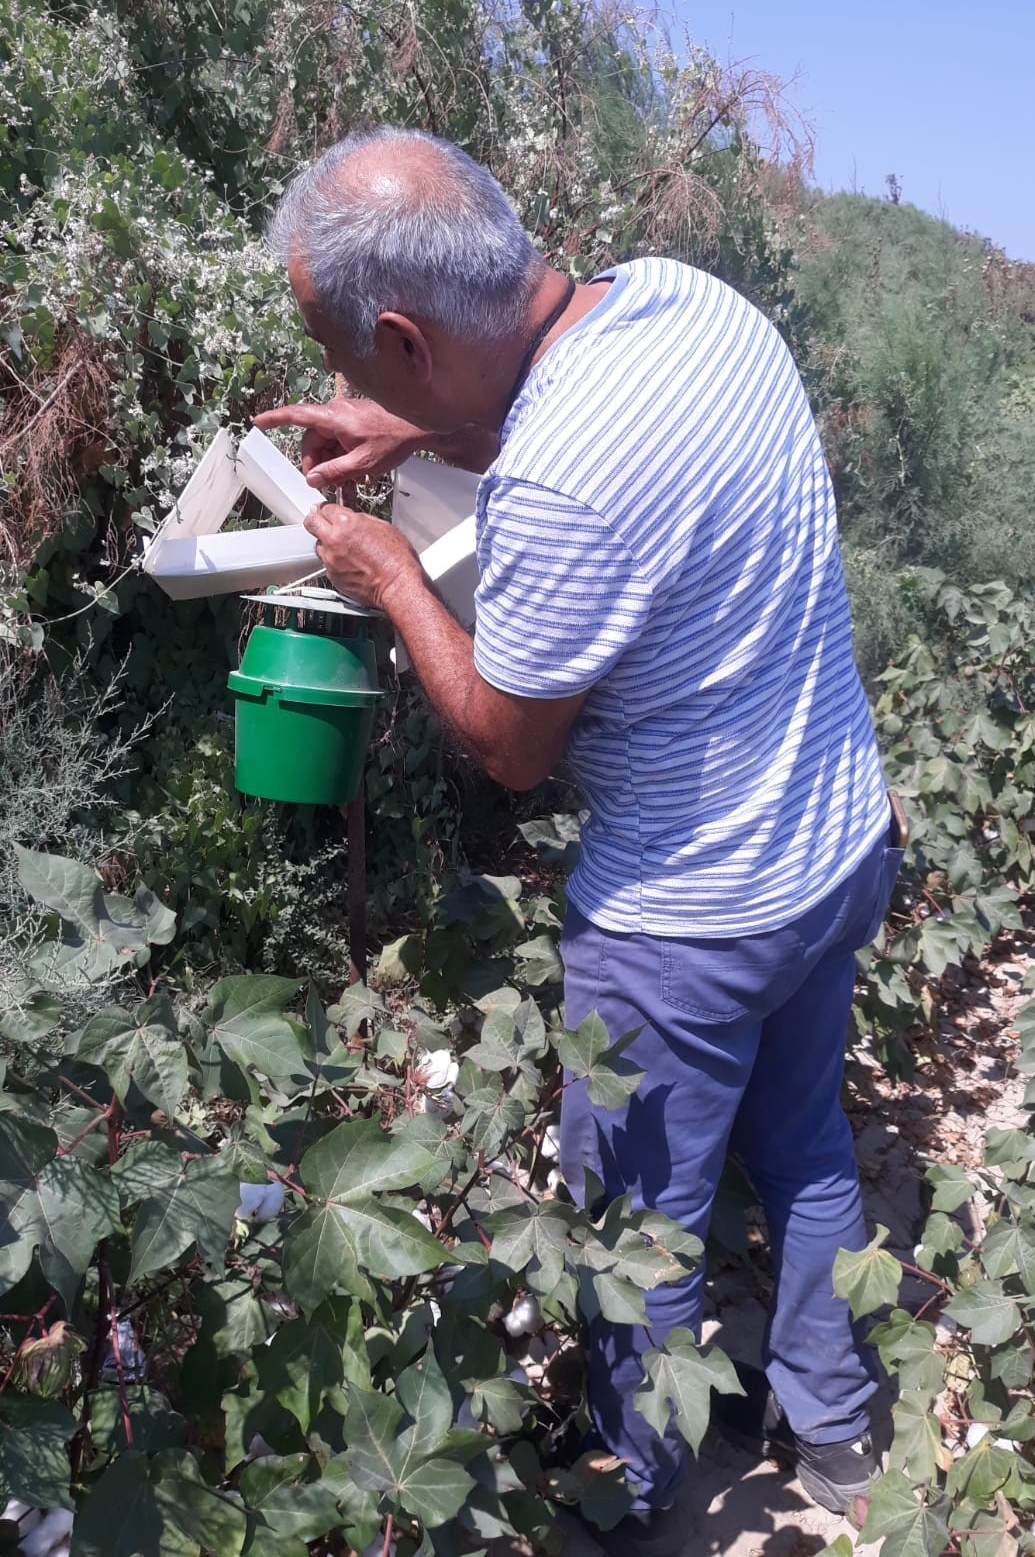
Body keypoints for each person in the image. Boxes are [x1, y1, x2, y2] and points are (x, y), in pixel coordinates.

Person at [256, 125, 903, 1556]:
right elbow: (569, 412)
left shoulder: (555, 480)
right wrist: (416, 433)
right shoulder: (684, 297)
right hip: (832, 838)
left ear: (412, 335)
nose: (359, 396)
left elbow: (507, 739)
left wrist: (386, 572)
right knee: (800, 1142)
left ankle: (636, 1488)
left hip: (693, 915)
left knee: (634, 1225)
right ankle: (839, 1434)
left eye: (364, 371)